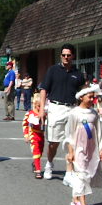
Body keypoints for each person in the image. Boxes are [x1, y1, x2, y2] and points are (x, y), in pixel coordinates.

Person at [38, 43, 85, 180]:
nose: (66, 57)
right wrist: (42, 110)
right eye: (63, 55)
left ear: (73, 56)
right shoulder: (53, 70)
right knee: (54, 142)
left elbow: (83, 93)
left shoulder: (78, 74)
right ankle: (49, 163)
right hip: (55, 108)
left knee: (72, 141)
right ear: (60, 56)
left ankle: (69, 171)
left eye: (68, 55)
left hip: (72, 109)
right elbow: (43, 90)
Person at [64, 84, 102, 205]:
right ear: (81, 97)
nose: (92, 99)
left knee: (86, 172)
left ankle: (75, 199)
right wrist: (70, 151)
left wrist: (101, 148)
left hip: (91, 148)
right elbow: (69, 134)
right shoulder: (74, 113)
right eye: (90, 97)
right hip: (79, 148)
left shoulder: (93, 114)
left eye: (93, 97)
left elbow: (99, 132)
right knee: (81, 174)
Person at [22, 95, 45, 179]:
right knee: (36, 151)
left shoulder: (44, 113)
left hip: (41, 135)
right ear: (35, 105)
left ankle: (35, 163)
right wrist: (26, 135)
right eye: (39, 106)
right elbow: (25, 124)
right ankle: (38, 171)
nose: (40, 108)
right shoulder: (30, 113)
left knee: (40, 151)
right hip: (33, 134)